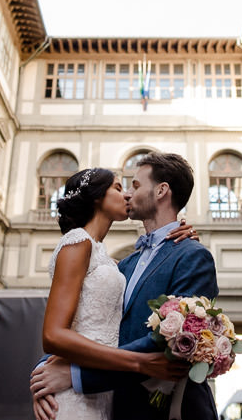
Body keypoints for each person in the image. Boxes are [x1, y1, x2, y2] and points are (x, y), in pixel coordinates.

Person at [31, 153, 219, 420]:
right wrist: (42, 374)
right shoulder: (123, 267)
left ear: (162, 190)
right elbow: (85, 323)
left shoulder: (192, 255)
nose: (128, 194)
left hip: (164, 411)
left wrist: (75, 375)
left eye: (135, 185)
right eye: (122, 187)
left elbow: (176, 342)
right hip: (117, 404)